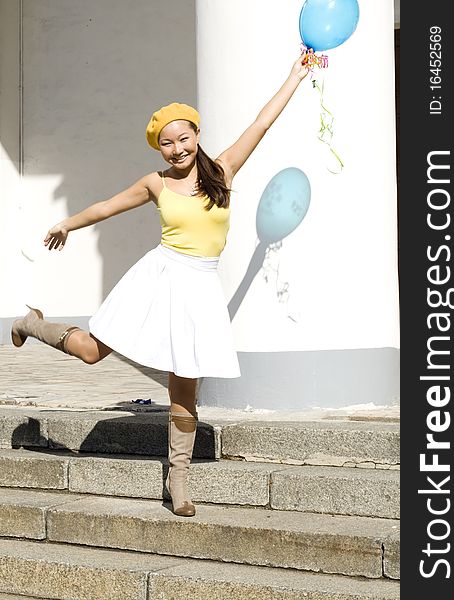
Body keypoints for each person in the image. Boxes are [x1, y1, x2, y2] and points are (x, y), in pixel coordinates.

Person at [11, 52, 309, 517]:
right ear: (160, 149)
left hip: (200, 286)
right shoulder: (155, 183)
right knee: (92, 352)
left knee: (184, 386)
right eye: (166, 143)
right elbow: (109, 206)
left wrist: (296, 74)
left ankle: (179, 480)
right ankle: (33, 324)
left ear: (196, 136)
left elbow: (262, 123)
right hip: (160, 276)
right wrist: (68, 223)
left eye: (182, 138)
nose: (176, 149)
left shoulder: (224, 170)